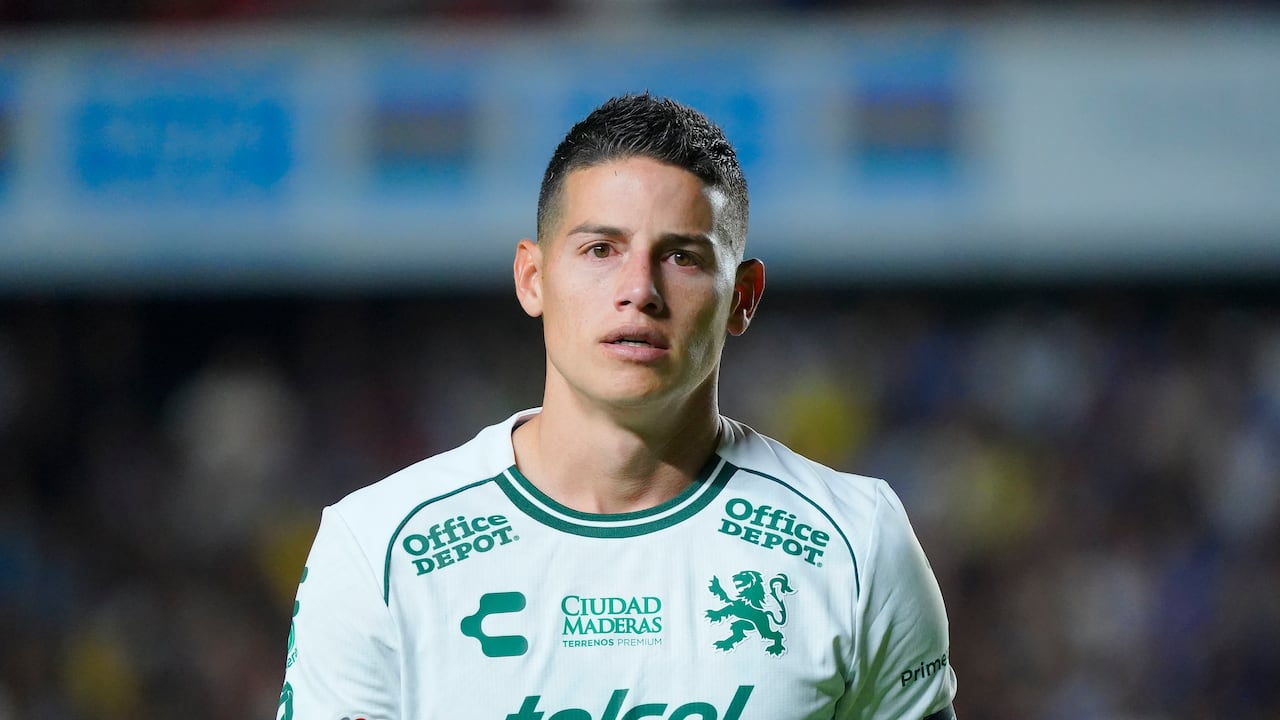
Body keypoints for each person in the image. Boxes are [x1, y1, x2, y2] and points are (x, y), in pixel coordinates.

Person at [278, 93, 957, 720]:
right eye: (601, 250)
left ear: (743, 297)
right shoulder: (380, 548)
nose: (639, 289)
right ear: (533, 277)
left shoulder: (857, 544)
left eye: (683, 257)